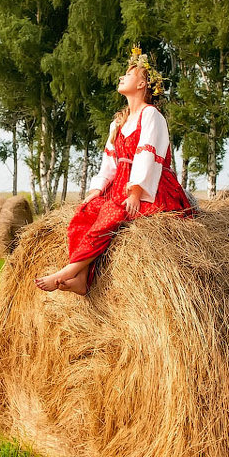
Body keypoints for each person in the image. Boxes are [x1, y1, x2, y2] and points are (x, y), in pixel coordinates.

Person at [35, 47, 195, 296]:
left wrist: (135, 192)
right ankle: (82, 277)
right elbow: (109, 163)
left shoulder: (151, 114)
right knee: (85, 214)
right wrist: (96, 190)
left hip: (151, 188)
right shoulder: (118, 122)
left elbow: (147, 156)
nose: (121, 77)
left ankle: (68, 271)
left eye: (128, 74)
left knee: (111, 214)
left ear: (142, 83)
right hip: (118, 186)